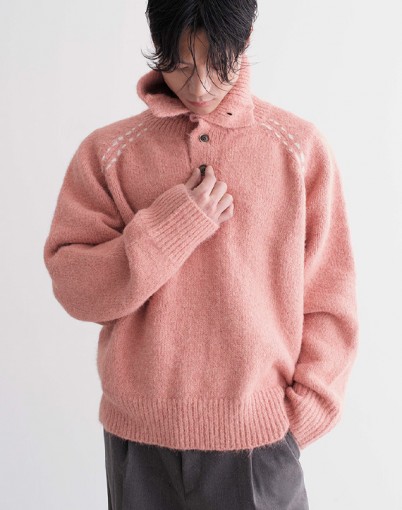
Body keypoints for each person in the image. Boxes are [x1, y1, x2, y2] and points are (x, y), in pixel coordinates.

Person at [43, 1, 359, 508]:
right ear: (158, 46)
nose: (200, 86)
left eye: (218, 63)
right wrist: (171, 228)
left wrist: (298, 420)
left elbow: (330, 299)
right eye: (181, 65)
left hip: (259, 443)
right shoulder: (109, 153)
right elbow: (75, 288)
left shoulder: (298, 149)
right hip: (139, 444)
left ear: (246, 38)